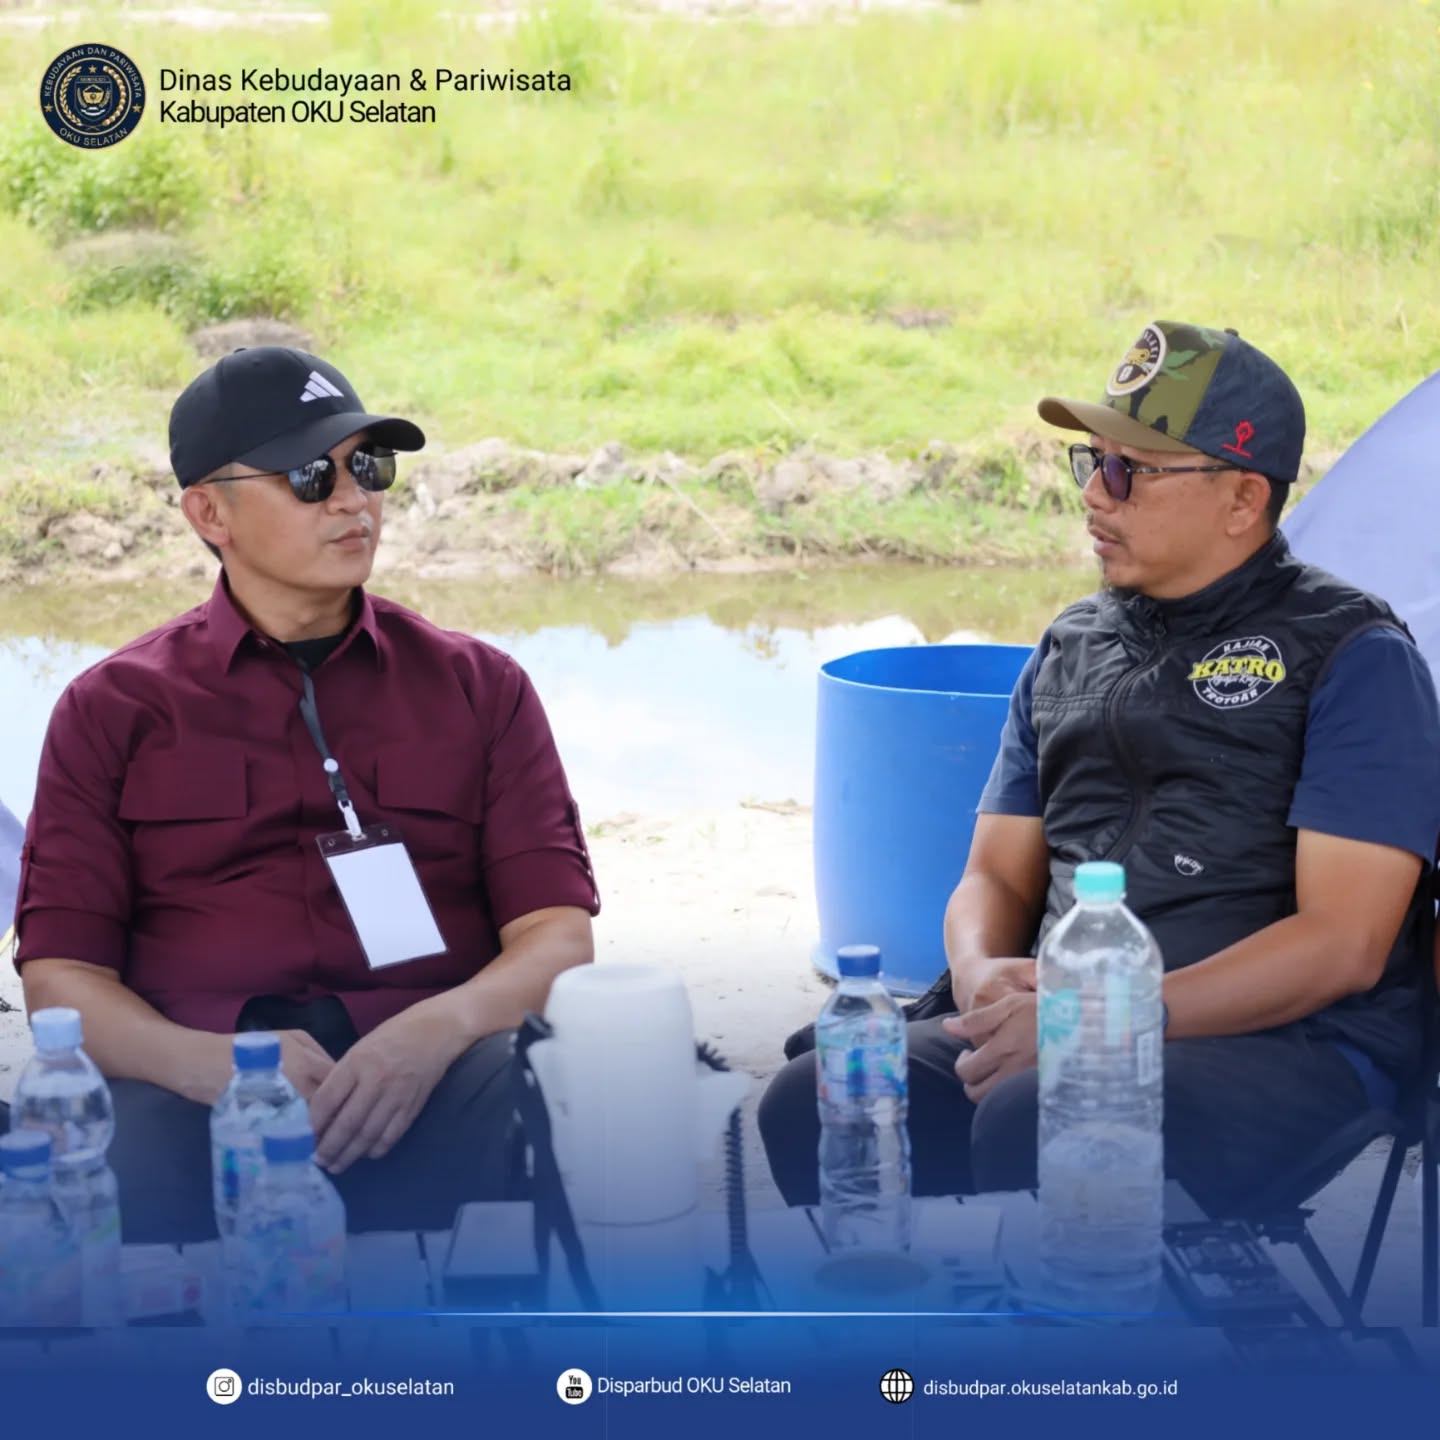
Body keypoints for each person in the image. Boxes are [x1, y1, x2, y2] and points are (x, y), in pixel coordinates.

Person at [760, 320, 1440, 1217]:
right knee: (817, 1097)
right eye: (1092, 462)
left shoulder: (1354, 654)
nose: (1095, 495)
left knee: (1047, 1115)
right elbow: (995, 875)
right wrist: (979, 970)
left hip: (1290, 1040)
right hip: (1062, 1017)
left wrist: (1101, 1024)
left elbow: (1343, 945)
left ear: (1242, 499)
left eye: (1131, 472)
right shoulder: (1071, 644)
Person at [6, 347, 599, 1242]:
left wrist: (434, 1032)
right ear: (210, 513)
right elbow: (63, 981)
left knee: (573, 1100)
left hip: (438, 1078)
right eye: (311, 476)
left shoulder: (480, 687)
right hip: (202, 1103)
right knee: (100, 1161)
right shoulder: (113, 709)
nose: (354, 500)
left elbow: (557, 935)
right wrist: (209, 1066)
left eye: (369, 466)